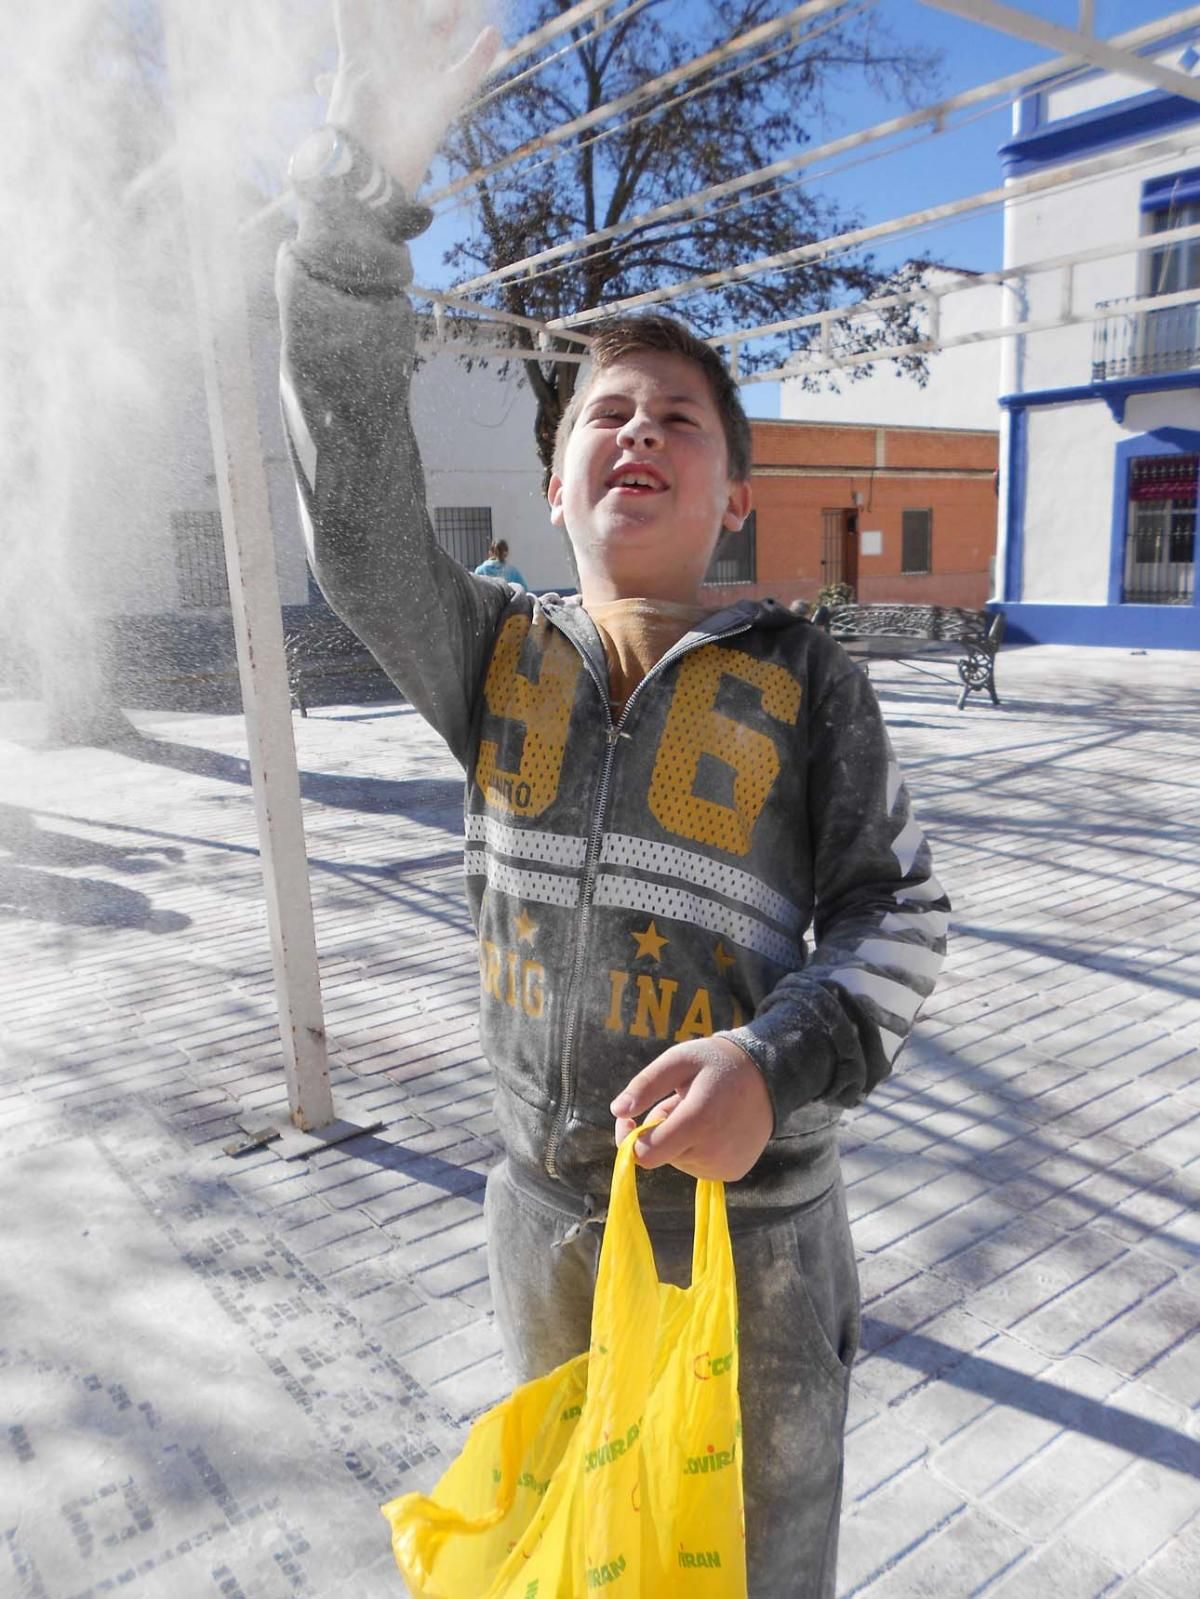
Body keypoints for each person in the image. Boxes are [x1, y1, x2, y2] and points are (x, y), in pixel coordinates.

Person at [276, 7, 948, 1594]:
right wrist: (358, 190)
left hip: (756, 1253)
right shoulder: (493, 652)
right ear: (559, 480)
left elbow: (900, 911)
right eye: (604, 414)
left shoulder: (804, 674)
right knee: (575, 1555)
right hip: (547, 1227)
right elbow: (359, 508)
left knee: (751, 1560)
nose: (638, 428)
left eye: (680, 418)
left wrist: (771, 1067)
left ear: (729, 492)